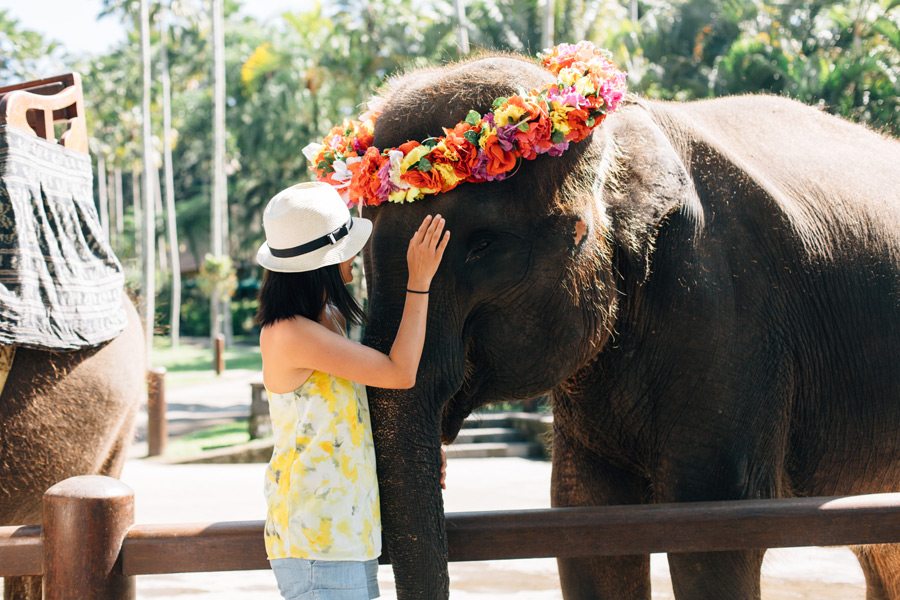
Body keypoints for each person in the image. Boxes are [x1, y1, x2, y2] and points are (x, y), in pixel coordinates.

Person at [255, 181, 450, 600]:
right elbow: (399, 372)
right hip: (317, 538)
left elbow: (352, 414)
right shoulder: (290, 333)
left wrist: (414, 444)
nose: (355, 258)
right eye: (348, 251)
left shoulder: (325, 320)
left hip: (346, 531)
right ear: (324, 263)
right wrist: (419, 281)